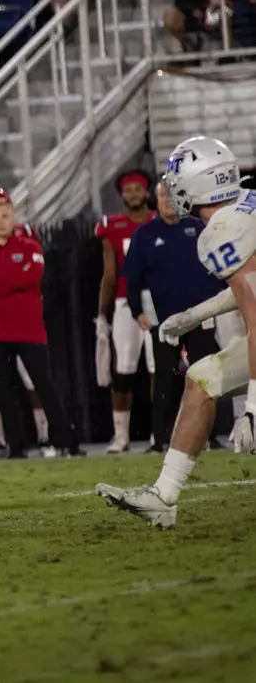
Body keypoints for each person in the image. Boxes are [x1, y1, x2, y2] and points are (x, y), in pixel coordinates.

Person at [98, 138, 256, 527]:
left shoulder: (221, 230)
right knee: (200, 380)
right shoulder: (243, 205)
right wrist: (191, 316)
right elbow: (248, 289)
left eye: (177, 179)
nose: (171, 188)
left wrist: (254, 405)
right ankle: (164, 495)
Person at [0, 192, 79, 461]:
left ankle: (66, 442)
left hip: (29, 330)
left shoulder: (31, 246)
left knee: (43, 385)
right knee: (5, 391)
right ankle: (16, 448)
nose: (1, 222)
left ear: (13, 217)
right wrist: (16, 280)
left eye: (5, 216)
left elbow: (34, 274)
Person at [95, 171, 159, 454]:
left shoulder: (160, 221)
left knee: (160, 368)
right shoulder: (112, 225)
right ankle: (121, 437)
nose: (133, 194)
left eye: (138, 189)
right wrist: (101, 313)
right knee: (124, 369)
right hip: (124, 302)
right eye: (128, 190)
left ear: (147, 192)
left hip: (158, 299)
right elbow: (109, 275)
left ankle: (162, 432)